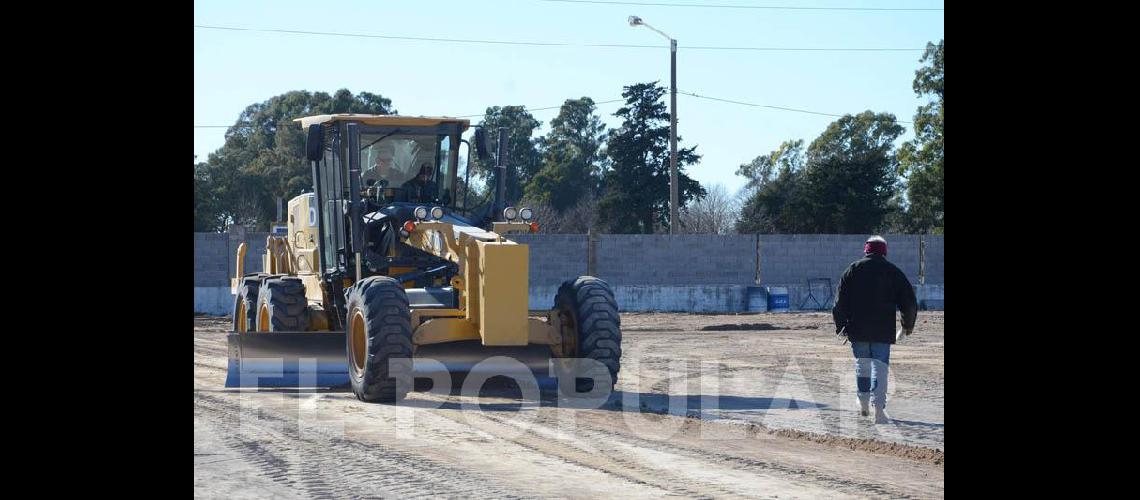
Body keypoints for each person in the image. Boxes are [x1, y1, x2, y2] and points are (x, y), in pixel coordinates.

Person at [832, 235, 918, 424]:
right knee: (880, 369)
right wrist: (907, 327)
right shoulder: (893, 272)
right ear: (884, 252)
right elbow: (909, 303)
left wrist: (841, 326)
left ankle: (863, 403)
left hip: (858, 330)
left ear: (866, 250)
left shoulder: (852, 270)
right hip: (882, 331)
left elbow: (839, 303)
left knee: (862, 366)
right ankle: (879, 410)